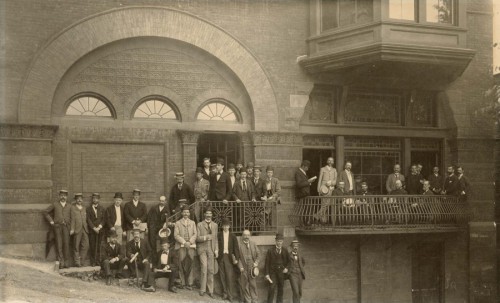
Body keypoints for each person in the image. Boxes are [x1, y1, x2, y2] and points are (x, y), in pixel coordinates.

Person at [44, 189, 71, 269]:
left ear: (67, 197)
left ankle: (66, 262)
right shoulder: (55, 204)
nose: (63, 197)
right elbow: (45, 212)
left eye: (65, 196)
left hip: (66, 227)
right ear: (59, 196)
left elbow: (73, 217)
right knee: (59, 244)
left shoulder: (69, 206)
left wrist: (71, 227)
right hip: (58, 227)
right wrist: (51, 221)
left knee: (66, 244)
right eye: (62, 195)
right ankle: (61, 262)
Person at [196, 208, 219, 298]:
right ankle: (202, 289)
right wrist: (206, 237)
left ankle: (211, 291)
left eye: (210, 214)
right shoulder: (200, 225)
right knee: (204, 268)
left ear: (212, 215)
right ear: (204, 214)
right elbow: (197, 238)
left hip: (211, 249)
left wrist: (216, 250)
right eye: (207, 213)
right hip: (202, 249)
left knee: (211, 270)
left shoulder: (215, 225)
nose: (208, 215)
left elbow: (216, 238)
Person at [174, 205, 197, 290]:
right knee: (181, 264)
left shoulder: (193, 223)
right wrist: (184, 242)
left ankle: (190, 283)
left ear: (189, 213)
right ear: (182, 213)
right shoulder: (178, 223)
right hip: (181, 245)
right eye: (184, 212)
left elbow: (195, 234)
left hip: (191, 245)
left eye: (187, 212)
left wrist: (190, 242)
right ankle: (182, 282)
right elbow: (176, 235)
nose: (186, 214)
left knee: (191, 263)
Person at [217, 218, 240, 302]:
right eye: (224, 226)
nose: (225, 227)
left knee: (229, 277)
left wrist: (236, 258)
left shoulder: (233, 236)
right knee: (222, 276)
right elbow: (216, 245)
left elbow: (236, 248)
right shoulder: (219, 235)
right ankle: (225, 293)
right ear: (222, 226)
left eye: (227, 226)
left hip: (229, 258)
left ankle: (230, 295)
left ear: (229, 226)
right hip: (221, 257)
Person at [237, 229, 261, 303]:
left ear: (249, 236)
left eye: (248, 235)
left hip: (252, 268)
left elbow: (259, 255)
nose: (246, 236)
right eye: (245, 235)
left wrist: (256, 263)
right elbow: (237, 258)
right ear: (242, 236)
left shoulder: (253, 244)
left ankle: (255, 300)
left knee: (253, 285)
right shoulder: (239, 245)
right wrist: (240, 266)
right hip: (243, 268)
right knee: (245, 286)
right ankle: (248, 300)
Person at [265, 233, 289, 303]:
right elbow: (267, 263)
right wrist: (267, 273)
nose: (279, 243)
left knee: (281, 289)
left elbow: (289, 262)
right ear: (275, 241)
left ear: (283, 241)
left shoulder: (285, 250)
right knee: (272, 288)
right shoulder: (270, 251)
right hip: (273, 273)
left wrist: (287, 268)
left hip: (281, 273)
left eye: (281, 241)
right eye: (278, 241)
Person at [147, 196, 170, 264]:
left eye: (163, 201)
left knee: (163, 241)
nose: (161, 202)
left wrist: (166, 223)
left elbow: (168, 218)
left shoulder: (167, 209)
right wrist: (148, 227)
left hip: (162, 227)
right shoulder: (154, 208)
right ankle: (153, 259)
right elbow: (149, 217)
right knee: (152, 242)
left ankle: (160, 259)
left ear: (165, 201)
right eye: (160, 200)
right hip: (153, 226)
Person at [70, 193, 89, 267]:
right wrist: (72, 229)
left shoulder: (84, 208)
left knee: (86, 245)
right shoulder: (72, 208)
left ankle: (82, 261)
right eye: (78, 198)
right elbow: (72, 219)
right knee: (76, 246)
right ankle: (77, 262)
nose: (79, 200)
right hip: (77, 229)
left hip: (84, 229)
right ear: (75, 200)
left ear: (82, 200)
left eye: (81, 198)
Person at [87, 193, 105, 266]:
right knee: (92, 246)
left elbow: (104, 219)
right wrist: (94, 228)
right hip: (92, 230)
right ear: (92, 199)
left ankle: (98, 261)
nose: (95, 200)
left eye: (96, 198)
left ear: (99, 199)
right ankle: (93, 262)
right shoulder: (88, 209)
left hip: (100, 230)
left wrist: (99, 227)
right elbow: (88, 220)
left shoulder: (102, 208)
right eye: (94, 198)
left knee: (99, 246)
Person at [288, 239, 305, 303]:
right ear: (291, 247)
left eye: (297, 246)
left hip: (300, 275)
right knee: (295, 291)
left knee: (300, 292)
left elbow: (303, 262)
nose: (295, 247)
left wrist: (300, 268)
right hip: (292, 275)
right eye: (294, 246)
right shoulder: (288, 255)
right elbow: (286, 264)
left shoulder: (300, 255)